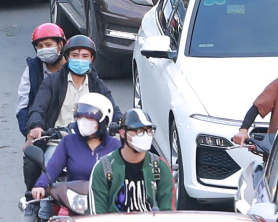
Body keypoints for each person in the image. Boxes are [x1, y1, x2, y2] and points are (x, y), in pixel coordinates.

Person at [20, 35, 114, 186]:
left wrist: (122, 124)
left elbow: (113, 109)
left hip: (93, 142)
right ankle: (35, 204)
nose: (80, 59)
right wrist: (36, 125)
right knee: (47, 174)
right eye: (75, 55)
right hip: (56, 142)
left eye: (85, 56)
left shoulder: (97, 84)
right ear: (67, 57)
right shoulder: (52, 81)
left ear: (92, 59)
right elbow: (38, 107)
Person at [32, 95, 118, 201]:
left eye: (90, 117)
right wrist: (41, 185)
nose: (84, 121)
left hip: (107, 203)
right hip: (75, 201)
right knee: (48, 210)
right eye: (80, 117)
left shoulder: (116, 146)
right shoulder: (68, 142)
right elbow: (53, 167)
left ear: (104, 120)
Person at [91, 107, 175, 213]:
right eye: (139, 130)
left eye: (149, 130)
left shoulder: (160, 167)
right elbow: (98, 217)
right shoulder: (103, 168)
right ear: (122, 133)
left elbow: (168, 214)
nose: (145, 135)